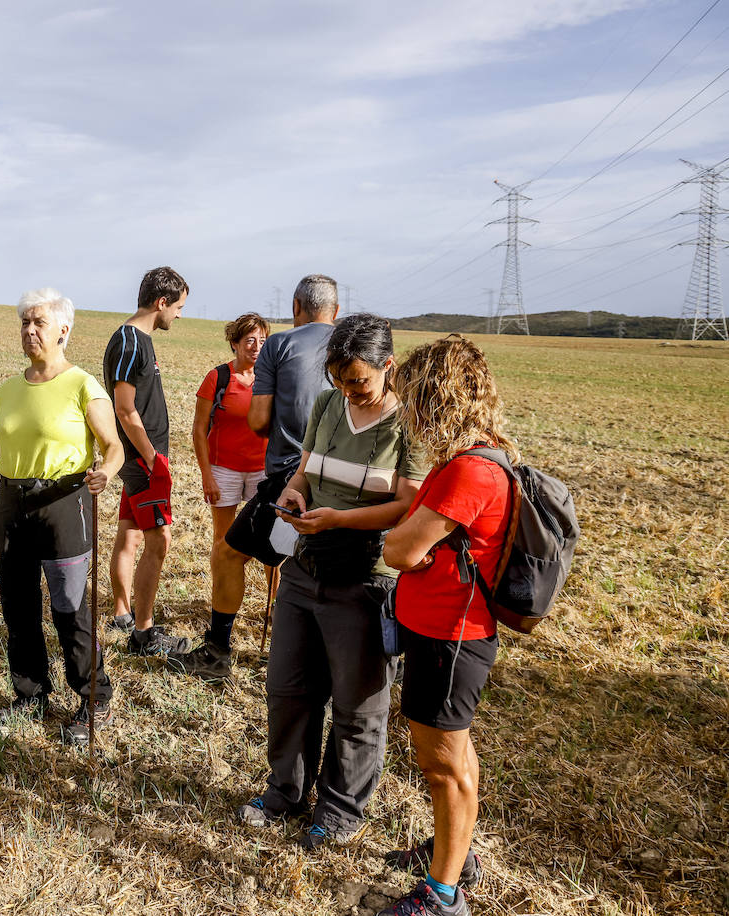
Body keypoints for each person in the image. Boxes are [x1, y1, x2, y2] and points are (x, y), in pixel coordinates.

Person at [235, 313, 428, 852]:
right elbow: (305, 468)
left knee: (356, 705)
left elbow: (407, 506)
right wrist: (296, 494)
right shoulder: (326, 405)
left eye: (359, 381)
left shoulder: (407, 424)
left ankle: (340, 810)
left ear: (387, 367)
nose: (349, 390)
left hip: (365, 580)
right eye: (339, 380)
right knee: (290, 690)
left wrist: (340, 519)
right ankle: (285, 793)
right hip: (306, 564)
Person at [375, 335, 517, 916]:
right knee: (455, 756)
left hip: (450, 638)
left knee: (442, 767)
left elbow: (401, 551)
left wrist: (409, 544)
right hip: (442, 630)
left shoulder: (469, 471)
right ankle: (453, 854)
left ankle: (442, 894)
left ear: (438, 395)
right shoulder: (468, 458)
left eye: (413, 397)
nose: (407, 411)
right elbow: (414, 541)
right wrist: (415, 542)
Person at [0, 288, 126, 745]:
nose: (29, 330)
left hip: (64, 503)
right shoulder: (11, 386)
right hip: (12, 502)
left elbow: (113, 444)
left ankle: (92, 696)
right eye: (25, 322)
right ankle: (30, 694)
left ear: (64, 330)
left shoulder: (82, 383)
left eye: (39, 322)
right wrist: (17, 464)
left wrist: (106, 472)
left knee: (68, 606)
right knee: (18, 605)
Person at [171, 276, 337, 680]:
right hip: (348, 482)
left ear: (296, 305)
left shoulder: (280, 344)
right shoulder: (354, 344)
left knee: (228, 554)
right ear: (336, 311)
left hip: (288, 479)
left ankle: (216, 653)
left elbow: (259, 419)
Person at [165, 312, 269, 680]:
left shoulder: (269, 378)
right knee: (223, 541)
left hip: (262, 472)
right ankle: (222, 602)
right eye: (249, 341)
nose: (255, 347)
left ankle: (270, 616)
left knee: (270, 545)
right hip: (223, 469)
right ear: (235, 344)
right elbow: (198, 429)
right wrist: (207, 474)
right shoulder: (218, 377)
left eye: (261, 340)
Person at [102, 266, 190, 657]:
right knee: (159, 541)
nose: (179, 315)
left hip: (140, 458)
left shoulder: (139, 340)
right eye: (179, 307)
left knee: (129, 533)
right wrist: (153, 458)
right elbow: (124, 409)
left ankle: (123, 613)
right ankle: (144, 633)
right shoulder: (130, 341)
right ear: (161, 302)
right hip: (143, 461)